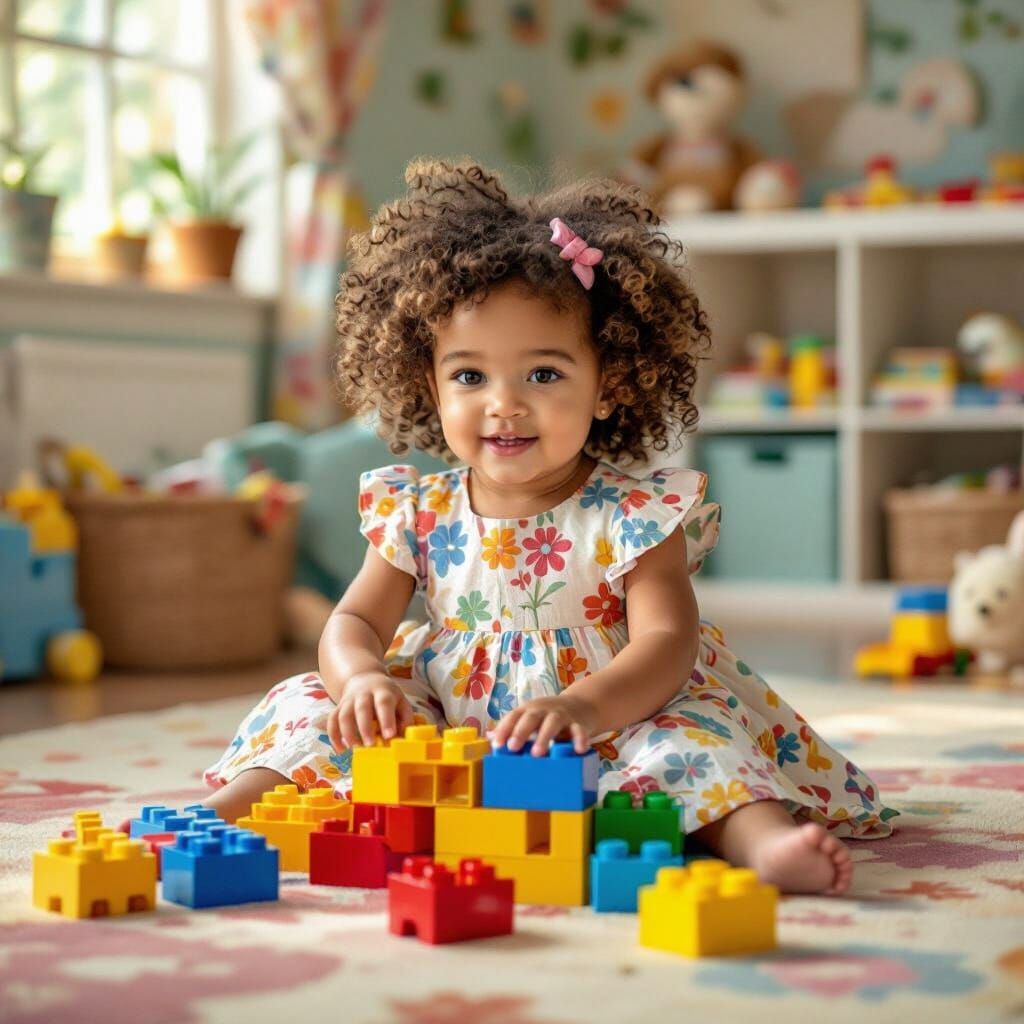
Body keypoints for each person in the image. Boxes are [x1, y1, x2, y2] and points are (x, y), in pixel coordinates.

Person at [202, 157, 896, 894]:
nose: (505, 404)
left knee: (691, 741)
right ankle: (228, 812)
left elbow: (668, 641)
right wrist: (363, 678)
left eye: (543, 374)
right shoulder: (417, 509)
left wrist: (582, 706)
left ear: (610, 385)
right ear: (425, 384)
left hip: (607, 723)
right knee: (313, 702)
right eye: (470, 376)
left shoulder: (635, 515)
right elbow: (351, 623)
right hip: (445, 734)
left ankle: (763, 845)